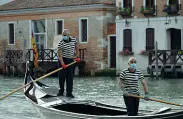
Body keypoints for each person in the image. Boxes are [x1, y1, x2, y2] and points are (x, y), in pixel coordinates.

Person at [57, 29, 80, 98]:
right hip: (63, 60)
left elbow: (77, 47)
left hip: (70, 60)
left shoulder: (73, 40)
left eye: (65, 35)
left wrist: (77, 57)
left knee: (70, 77)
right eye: (63, 35)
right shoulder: (61, 43)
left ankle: (69, 93)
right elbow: (59, 55)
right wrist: (63, 64)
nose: (63, 37)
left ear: (68, 35)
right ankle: (61, 91)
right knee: (62, 77)